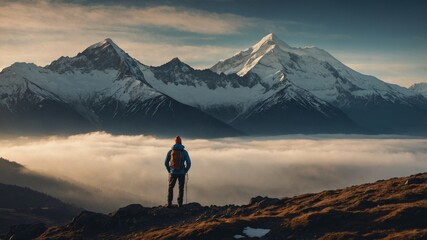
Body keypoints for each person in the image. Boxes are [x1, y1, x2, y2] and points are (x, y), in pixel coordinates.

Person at [164, 136, 191, 208]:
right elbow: (189, 163)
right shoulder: (184, 152)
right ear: (181, 142)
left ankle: (169, 203)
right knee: (181, 188)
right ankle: (180, 204)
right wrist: (185, 170)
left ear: (175, 142)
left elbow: (166, 163)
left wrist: (169, 170)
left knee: (170, 187)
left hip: (173, 172)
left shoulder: (170, 152)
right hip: (181, 172)